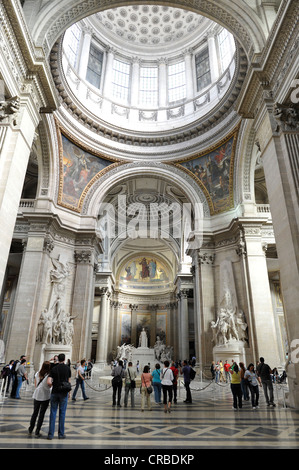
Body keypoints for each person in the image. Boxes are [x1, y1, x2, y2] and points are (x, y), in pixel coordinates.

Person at [47, 353, 72, 440]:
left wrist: (53, 385)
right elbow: (69, 381)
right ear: (64, 359)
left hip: (54, 392)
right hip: (64, 393)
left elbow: (49, 382)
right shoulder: (67, 368)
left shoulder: (54, 368)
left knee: (53, 413)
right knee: (62, 413)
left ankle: (50, 435)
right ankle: (61, 434)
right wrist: (69, 393)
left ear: (58, 359)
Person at [28, 361, 52, 437]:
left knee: (35, 412)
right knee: (41, 414)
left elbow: (36, 384)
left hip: (37, 394)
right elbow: (49, 384)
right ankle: (37, 430)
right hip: (45, 395)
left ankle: (31, 428)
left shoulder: (38, 373)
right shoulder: (49, 375)